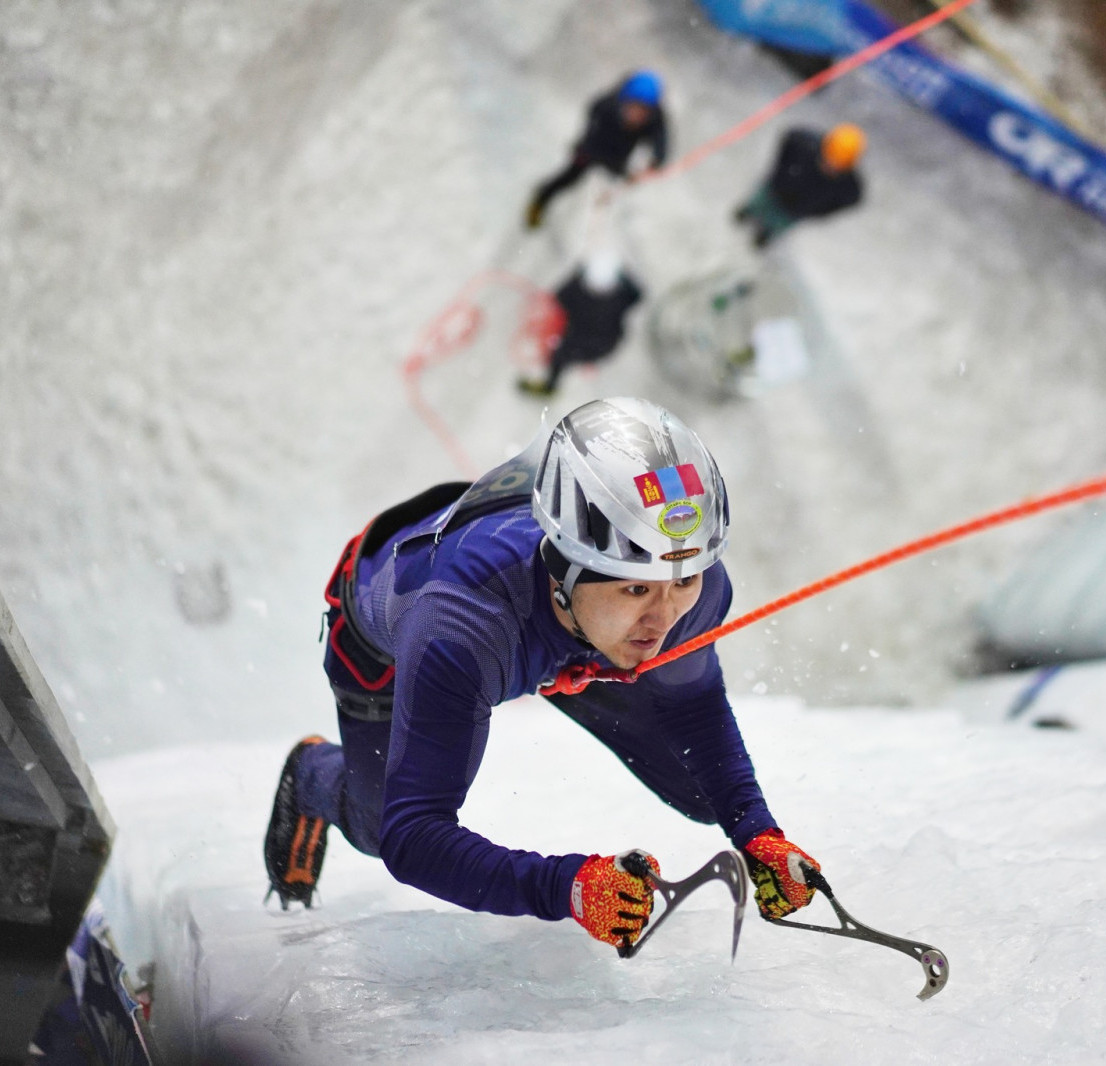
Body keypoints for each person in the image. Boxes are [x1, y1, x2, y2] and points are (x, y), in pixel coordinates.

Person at [263, 397, 822, 953]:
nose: (665, 617)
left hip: (563, 629)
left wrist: (757, 831)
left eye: (684, 582)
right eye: (634, 588)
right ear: (565, 569)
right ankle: (312, 773)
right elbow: (413, 838)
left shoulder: (680, 587)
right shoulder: (460, 624)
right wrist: (568, 887)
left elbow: (692, 708)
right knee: (376, 826)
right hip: (384, 635)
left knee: (705, 790)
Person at [525, 71, 670, 230]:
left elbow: (660, 140)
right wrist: (583, 144)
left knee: (617, 188)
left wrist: (656, 159)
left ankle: (599, 218)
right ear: (624, 101)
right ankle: (540, 200)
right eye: (633, 108)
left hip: (617, 157)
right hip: (593, 150)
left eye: (643, 112)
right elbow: (592, 114)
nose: (637, 115)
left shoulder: (655, 119)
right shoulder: (608, 106)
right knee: (568, 179)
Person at [516, 251, 643, 397]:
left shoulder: (579, 293)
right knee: (561, 353)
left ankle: (550, 386)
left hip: (588, 343)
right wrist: (624, 275)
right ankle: (550, 385)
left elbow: (558, 296)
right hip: (602, 344)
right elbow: (638, 295)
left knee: (560, 354)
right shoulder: (620, 297)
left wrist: (579, 273)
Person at [733, 124, 866, 249]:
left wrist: (815, 212)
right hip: (774, 189)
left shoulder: (849, 185)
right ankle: (742, 217)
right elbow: (789, 138)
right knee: (752, 207)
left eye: (838, 166)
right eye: (830, 159)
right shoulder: (805, 145)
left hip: (792, 212)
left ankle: (761, 240)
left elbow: (852, 201)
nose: (831, 166)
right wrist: (778, 172)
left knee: (770, 231)